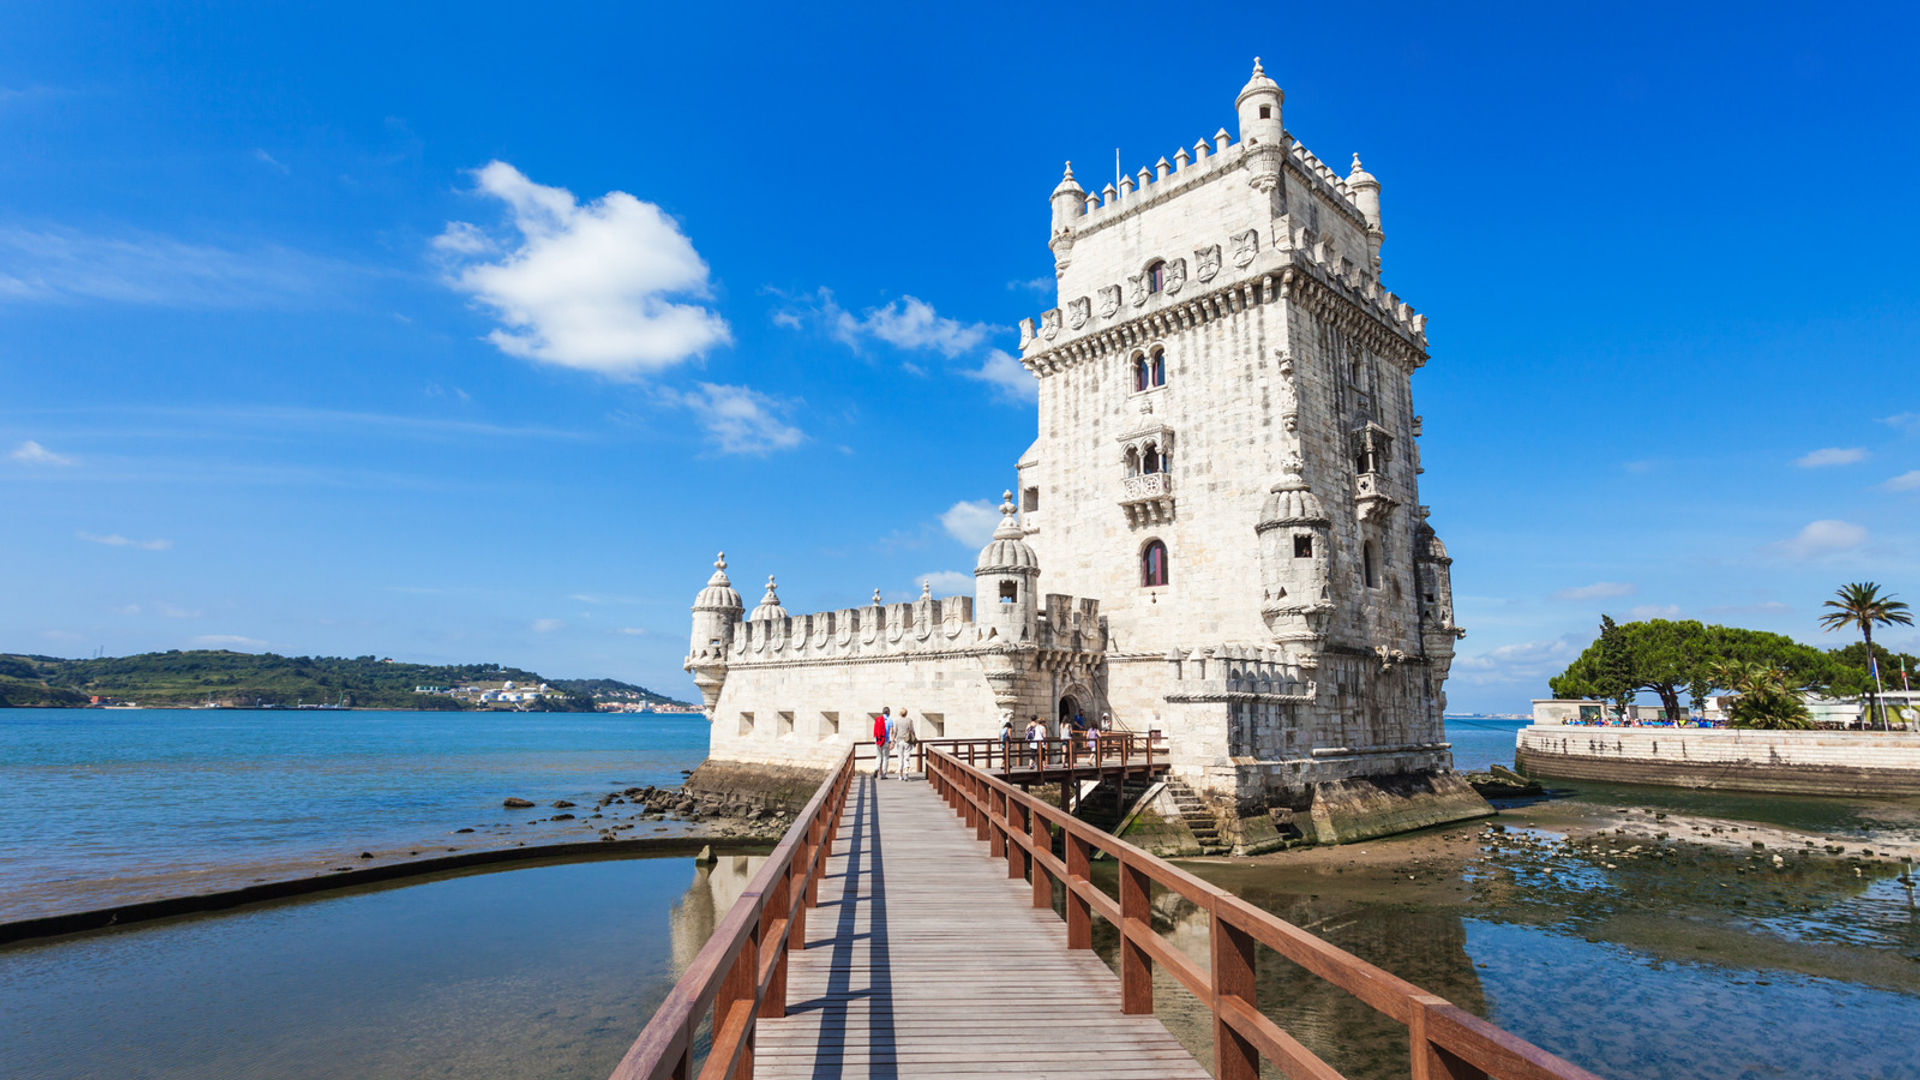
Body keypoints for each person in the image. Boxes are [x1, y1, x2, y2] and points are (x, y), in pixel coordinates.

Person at [894, 710, 915, 779]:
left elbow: (895, 731)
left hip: (899, 741)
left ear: (900, 713)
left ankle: (900, 775)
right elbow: (912, 731)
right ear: (906, 713)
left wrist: (893, 739)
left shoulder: (897, 721)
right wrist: (914, 740)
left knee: (900, 758)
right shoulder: (909, 720)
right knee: (907, 757)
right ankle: (906, 771)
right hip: (907, 741)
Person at [873, 707, 891, 779]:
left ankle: (876, 768)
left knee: (878, 756)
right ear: (888, 712)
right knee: (885, 758)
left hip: (878, 740)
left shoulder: (878, 719)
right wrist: (892, 741)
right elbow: (891, 732)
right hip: (886, 741)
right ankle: (883, 774)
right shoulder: (889, 720)